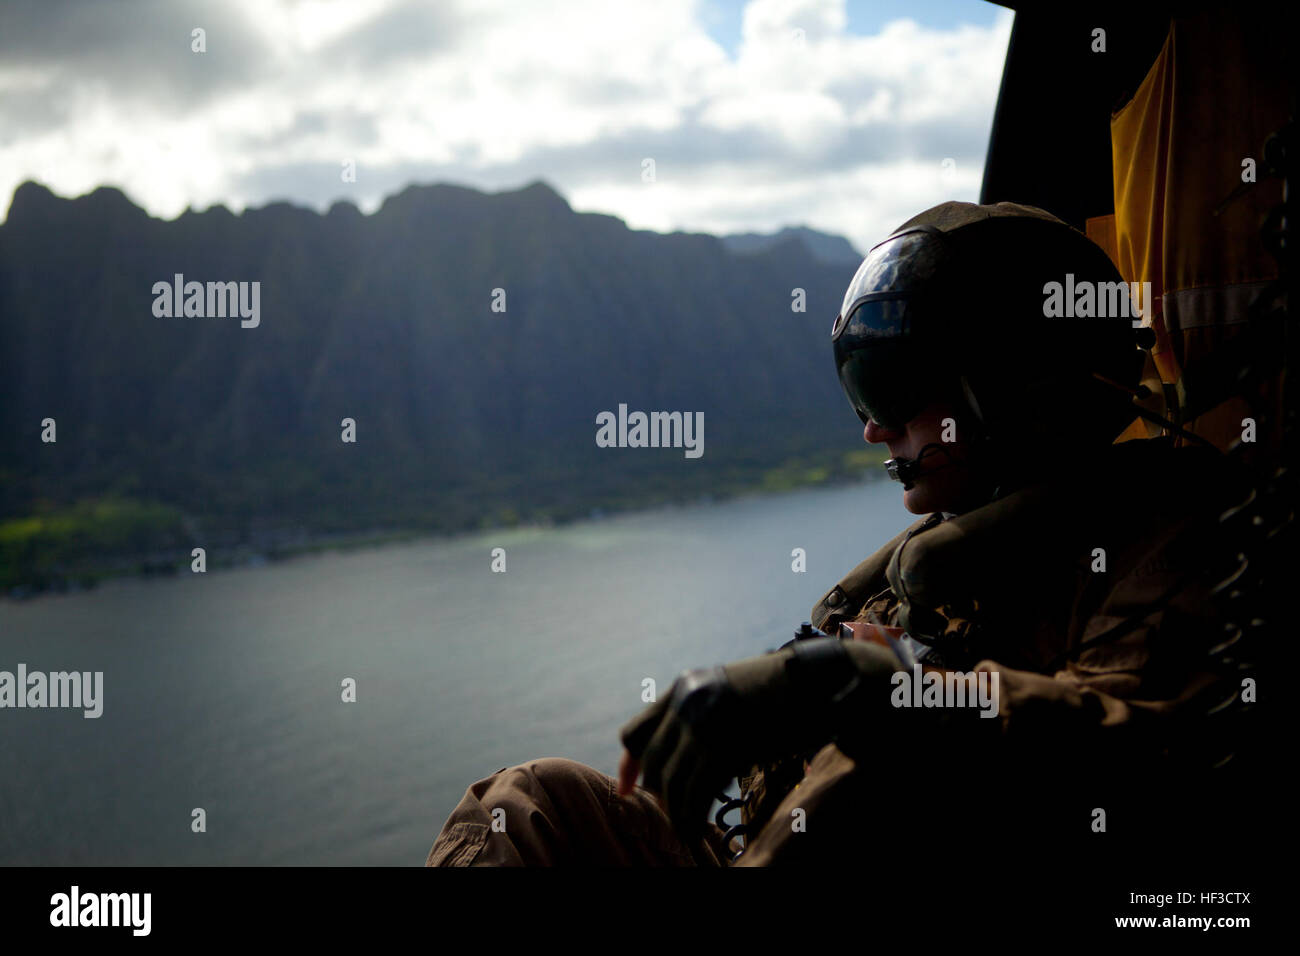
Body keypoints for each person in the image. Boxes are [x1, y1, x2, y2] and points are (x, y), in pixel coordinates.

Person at [426, 201, 1248, 868]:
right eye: (862, 395)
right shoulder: (926, 574)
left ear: (1019, 390)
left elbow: (1144, 755)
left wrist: (891, 699)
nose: (873, 431)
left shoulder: (1173, 537)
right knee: (531, 807)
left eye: (892, 390)